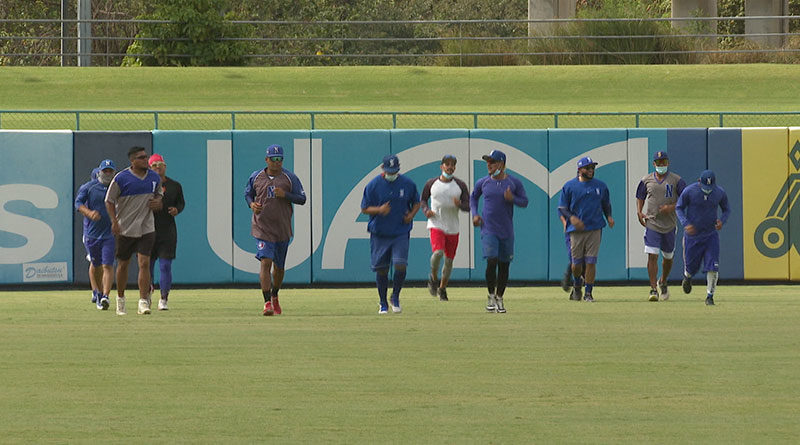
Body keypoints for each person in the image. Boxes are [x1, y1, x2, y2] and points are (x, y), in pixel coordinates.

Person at [245, 144, 306, 316]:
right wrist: (252, 204)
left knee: (279, 268)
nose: (276, 162)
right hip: (262, 227)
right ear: (267, 160)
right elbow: (248, 193)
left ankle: (275, 295)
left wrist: (286, 195)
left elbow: (302, 198)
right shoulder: (256, 177)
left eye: (279, 159)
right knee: (266, 261)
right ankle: (266, 303)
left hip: (282, 229)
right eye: (273, 159)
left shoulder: (289, 178)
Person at [105, 146, 163, 316]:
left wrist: (158, 201)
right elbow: (109, 201)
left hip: (146, 226)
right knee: (123, 264)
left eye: (146, 157)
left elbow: (159, 194)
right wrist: (114, 221)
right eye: (141, 158)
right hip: (126, 227)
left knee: (144, 263)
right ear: (132, 161)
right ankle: (120, 299)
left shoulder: (153, 177)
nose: (146, 160)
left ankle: (143, 301)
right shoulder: (121, 178)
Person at [470, 149, 528, 313]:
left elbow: (524, 201)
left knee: (504, 265)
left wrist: (513, 199)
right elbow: (473, 198)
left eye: (492, 162)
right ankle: (490, 294)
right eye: (488, 161)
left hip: (506, 231)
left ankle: (500, 297)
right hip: (489, 229)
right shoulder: (483, 182)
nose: (489, 165)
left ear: (501, 164)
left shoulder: (513, 183)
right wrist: (475, 215)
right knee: (491, 260)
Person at [361, 154, 420, 314]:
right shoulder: (373, 185)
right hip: (380, 232)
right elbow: (365, 208)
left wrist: (411, 215)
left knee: (400, 264)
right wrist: (379, 210)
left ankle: (395, 296)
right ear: (383, 169)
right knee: (382, 269)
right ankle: (382, 302)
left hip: (400, 231)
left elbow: (416, 202)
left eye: (394, 171)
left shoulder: (407, 184)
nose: (391, 174)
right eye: (389, 171)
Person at [558, 156, 615, 302]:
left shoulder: (600, 186)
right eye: (587, 168)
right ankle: (577, 284)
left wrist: (608, 216)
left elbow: (606, 204)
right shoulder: (570, 186)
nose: (591, 170)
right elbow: (562, 208)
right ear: (579, 170)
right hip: (576, 230)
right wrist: (571, 218)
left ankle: (588, 293)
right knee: (576, 265)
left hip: (595, 227)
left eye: (592, 168)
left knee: (591, 261)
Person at [636, 151, 687, 302]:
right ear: (654, 164)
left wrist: (671, 207)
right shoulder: (646, 180)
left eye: (663, 162)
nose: (661, 165)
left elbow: (685, 199)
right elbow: (640, 196)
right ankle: (653, 289)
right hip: (652, 222)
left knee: (668, 257)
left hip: (669, 224)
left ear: (668, 163)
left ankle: (663, 281)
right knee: (652, 255)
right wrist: (639, 212)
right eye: (658, 163)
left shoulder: (676, 180)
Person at [676, 170, 730, 306]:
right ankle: (687, 277)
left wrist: (722, 220)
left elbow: (726, 209)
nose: (708, 191)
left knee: (713, 266)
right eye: (705, 187)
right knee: (691, 267)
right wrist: (685, 223)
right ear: (699, 182)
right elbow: (679, 208)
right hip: (693, 236)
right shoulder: (689, 191)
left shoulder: (719, 192)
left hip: (710, 235)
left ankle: (710, 296)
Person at [420, 154, 470, 301]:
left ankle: (442, 288)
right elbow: (423, 199)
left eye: (452, 164)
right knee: (438, 253)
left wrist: (459, 204)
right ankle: (433, 278)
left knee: (449, 261)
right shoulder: (431, 183)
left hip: (453, 226)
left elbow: (468, 206)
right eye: (447, 164)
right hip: (436, 223)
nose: (450, 167)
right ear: (441, 166)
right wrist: (426, 211)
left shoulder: (460, 185)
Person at [75, 160, 116, 310]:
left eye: (110, 171)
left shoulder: (117, 188)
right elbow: (78, 203)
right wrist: (89, 213)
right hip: (92, 233)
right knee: (96, 264)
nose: (107, 174)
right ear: (99, 171)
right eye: (105, 171)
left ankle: (105, 296)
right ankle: (96, 292)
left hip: (110, 232)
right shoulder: (90, 187)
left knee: (108, 264)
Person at [148, 154, 185, 311]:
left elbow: (181, 203)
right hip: (147, 230)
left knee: (165, 266)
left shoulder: (174, 185)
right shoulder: (145, 184)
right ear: (149, 167)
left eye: (160, 164)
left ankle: (164, 298)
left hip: (167, 230)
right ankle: (146, 294)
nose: (158, 167)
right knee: (146, 266)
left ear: (165, 166)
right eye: (154, 165)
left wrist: (177, 209)